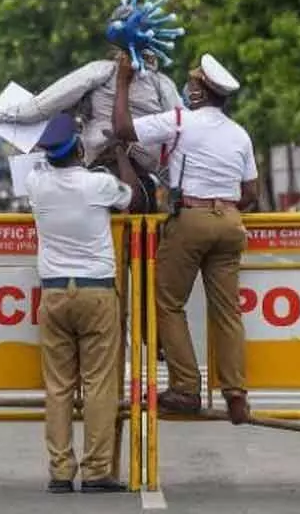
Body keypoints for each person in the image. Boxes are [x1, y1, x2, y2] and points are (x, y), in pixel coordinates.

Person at [109, 52, 259, 425]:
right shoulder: (239, 133)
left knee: (167, 302)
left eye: (191, 84)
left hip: (191, 219)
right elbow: (251, 191)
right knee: (227, 311)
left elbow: (123, 128)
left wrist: (124, 82)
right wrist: (220, 205)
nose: (187, 89)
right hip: (230, 220)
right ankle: (236, 392)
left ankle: (186, 388)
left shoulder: (180, 121)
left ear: (198, 92)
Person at [25, 111, 140, 494]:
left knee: (58, 388)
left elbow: (45, 164)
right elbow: (135, 198)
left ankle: (60, 472)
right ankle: (96, 471)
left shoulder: (36, 184)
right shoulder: (99, 186)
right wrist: (120, 154)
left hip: (54, 293)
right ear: (78, 147)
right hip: (96, 292)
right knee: (99, 385)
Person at [0, 48, 181, 213]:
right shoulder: (162, 83)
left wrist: (10, 113)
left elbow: (46, 103)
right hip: (137, 178)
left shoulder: (37, 184)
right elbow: (180, 126)